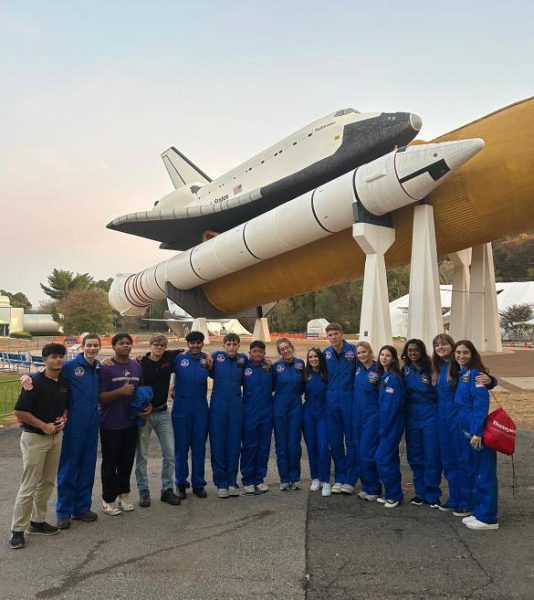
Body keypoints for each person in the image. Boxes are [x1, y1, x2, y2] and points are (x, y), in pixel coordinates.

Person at [20, 334, 102, 530]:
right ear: (82, 346)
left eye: (95, 346)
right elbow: (46, 373)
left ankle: (82, 508)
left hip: (92, 425)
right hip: (73, 425)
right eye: (89, 345)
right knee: (69, 467)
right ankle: (64, 512)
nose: (92, 348)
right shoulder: (70, 366)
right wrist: (26, 376)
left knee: (88, 467)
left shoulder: (99, 368)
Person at [9, 343, 69, 550]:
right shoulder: (33, 382)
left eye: (61, 356)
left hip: (55, 438)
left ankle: (37, 521)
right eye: (53, 357)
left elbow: (64, 408)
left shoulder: (63, 383)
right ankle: (17, 530)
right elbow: (20, 412)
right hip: (34, 438)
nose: (58, 360)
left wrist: (63, 419)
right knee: (30, 484)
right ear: (44, 359)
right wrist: (43, 426)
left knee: (47, 483)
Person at [431, 334, 495, 513]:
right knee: (448, 460)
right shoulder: (439, 366)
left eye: (444, 344)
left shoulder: (459, 366)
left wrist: (491, 380)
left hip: (457, 419)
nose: (440, 347)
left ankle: (467, 501)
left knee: (463, 460)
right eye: (436, 345)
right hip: (442, 419)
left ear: (452, 346)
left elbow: (479, 382)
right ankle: (455, 497)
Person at [450, 340, 499, 530]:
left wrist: (477, 432)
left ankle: (488, 518)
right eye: (458, 352)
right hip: (467, 431)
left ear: (472, 355)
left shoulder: (476, 375)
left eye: (465, 352)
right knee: (474, 471)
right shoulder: (463, 373)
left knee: (484, 474)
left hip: (476, 433)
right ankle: (480, 512)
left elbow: (480, 405)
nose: (461, 355)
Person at [99, 333, 146, 515]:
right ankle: (108, 499)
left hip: (131, 422)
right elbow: (100, 397)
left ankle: (124, 495)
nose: (125, 346)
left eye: (128, 343)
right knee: (110, 462)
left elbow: (141, 392)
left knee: (127, 461)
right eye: (121, 343)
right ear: (113, 347)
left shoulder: (136, 366)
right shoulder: (106, 368)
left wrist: (146, 407)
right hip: (110, 423)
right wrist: (120, 391)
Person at [135, 334, 183, 508]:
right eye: (155, 344)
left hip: (162, 412)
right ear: (150, 345)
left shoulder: (169, 358)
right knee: (142, 455)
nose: (158, 346)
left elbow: (187, 351)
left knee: (170, 452)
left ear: (166, 347)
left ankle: (167, 489)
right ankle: (143, 490)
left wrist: (208, 356)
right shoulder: (140, 363)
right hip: (144, 414)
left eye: (162, 344)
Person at [401, 339, 442, 508]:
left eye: (416, 350)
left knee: (431, 455)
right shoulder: (405, 369)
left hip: (430, 415)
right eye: (410, 350)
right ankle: (420, 492)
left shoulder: (432, 368)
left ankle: (433, 494)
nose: (412, 353)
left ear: (422, 351)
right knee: (415, 456)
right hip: (412, 416)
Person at [172, 331, 210, 499]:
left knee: (199, 448)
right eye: (192, 343)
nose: (195, 345)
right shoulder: (179, 358)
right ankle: (180, 483)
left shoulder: (207, 360)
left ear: (202, 343)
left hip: (200, 407)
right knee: (181, 448)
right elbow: (157, 361)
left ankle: (198, 483)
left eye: (198, 342)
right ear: (187, 344)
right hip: (181, 407)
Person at [209, 332, 247, 498]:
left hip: (236, 407)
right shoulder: (216, 357)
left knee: (234, 445)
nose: (231, 347)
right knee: (218, 445)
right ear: (224, 345)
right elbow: (202, 363)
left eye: (234, 344)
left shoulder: (243, 359)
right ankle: (221, 483)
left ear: (239, 345)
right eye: (228, 344)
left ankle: (232, 481)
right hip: (218, 405)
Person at [323, 323, 356, 494]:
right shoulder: (326, 354)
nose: (333, 337)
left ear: (342, 334)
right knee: (335, 441)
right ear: (327, 337)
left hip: (349, 401)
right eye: (330, 335)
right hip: (331, 403)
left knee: (351, 441)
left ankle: (350, 479)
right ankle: (340, 477)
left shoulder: (354, 351)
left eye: (336, 333)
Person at [240, 340, 273, 495]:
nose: (258, 354)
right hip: (249, 412)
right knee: (249, 446)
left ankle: (259, 479)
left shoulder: (268, 369)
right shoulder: (244, 367)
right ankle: (247, 480)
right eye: (255, 351)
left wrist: (271, 367)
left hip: (266, 412)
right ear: (250, 353)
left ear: (264, 353)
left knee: (263, 447)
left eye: (260, 352)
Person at [272, 338, 305, 490]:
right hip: (279, 406)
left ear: (291, 347)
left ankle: (295, 477)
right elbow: (271, 385)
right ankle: (284, 478)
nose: (285, 351)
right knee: (281, 444)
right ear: (280, 352)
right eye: (282, 349)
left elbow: (304, 385)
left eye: (287, 347)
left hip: (296, 407)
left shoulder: (301, 364)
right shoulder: (276, 366)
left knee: (294, 443)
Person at [375, 345, 405, 509]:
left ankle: (393, 495)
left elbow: (391, 406)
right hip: (387, 423)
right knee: (390, 459)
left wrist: (384, 428)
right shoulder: (385, 376)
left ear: (393, 359)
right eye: (382, 355)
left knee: (383, 458)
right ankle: (393, 494)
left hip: (391, 424)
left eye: (387, 355)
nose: (384, 358)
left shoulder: (393, 378)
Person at [353, 342, 381, 502]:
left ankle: (374, 487)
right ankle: (365, 485)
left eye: (364, 352)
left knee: (367, 451)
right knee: (359, 450)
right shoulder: (358, 369)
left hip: (372, 415)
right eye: (359, 353)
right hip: (358, 415)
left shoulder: (378, 370)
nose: (361, 355)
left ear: (370, 352)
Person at [302, 348, 331, 497]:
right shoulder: (305, 374)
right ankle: (315, 478)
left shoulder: (326, 374)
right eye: (310, 357)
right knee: (312, 447)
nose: (313, 359)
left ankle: (325, 480)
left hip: (323, 414)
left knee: (323, 447)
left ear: (320, 358)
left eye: (315, 356)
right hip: (308, 413)